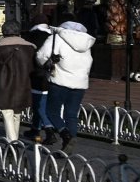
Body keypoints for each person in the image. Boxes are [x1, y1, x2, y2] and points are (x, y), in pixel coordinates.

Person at [35, 19, 95, 151]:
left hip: (59, 81)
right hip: (80, 83)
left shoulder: (56, 38)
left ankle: (65, 135)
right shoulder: (85, 42)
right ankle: (69, 145)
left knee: (52, 111)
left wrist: (45, 63)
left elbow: (41, 56)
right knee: (71, 114)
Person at [0, 27, 35, 140]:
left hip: (3, 85)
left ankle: (12, 141)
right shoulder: (30, 48)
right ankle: (14, 139)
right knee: (17, 113)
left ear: (3, 32)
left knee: (7, 112)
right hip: (23, 84)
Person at [24, 18, 53, 140]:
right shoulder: (53, 35)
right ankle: (35, 128)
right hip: (51, 74)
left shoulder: (31, 36)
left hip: (37, 74)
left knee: (38, 105)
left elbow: (29, 57)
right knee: (42, 103)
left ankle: (49, 129)